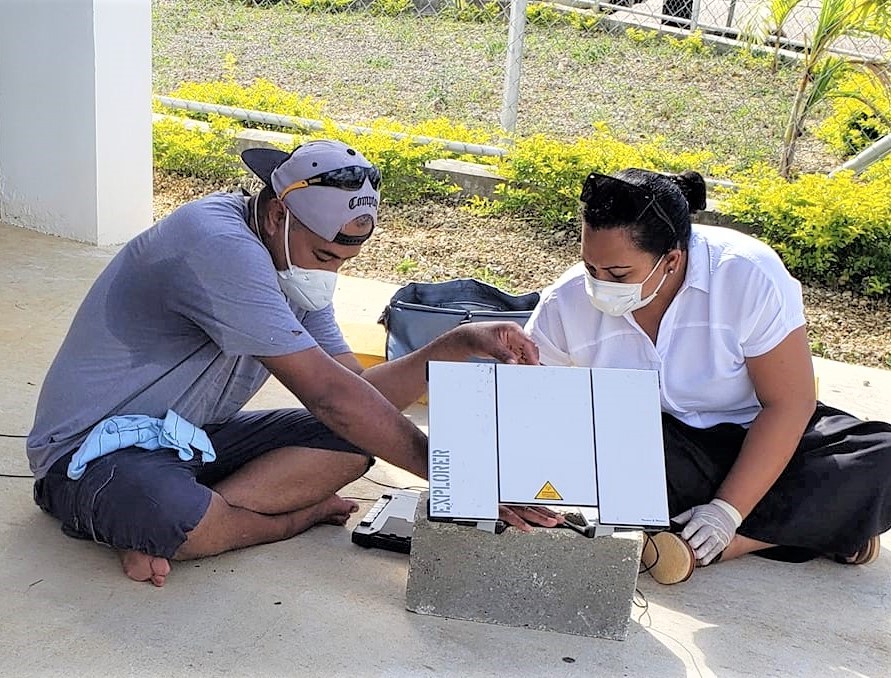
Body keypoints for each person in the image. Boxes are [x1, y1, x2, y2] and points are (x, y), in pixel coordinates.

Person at [27, 139, 560, 587]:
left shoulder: (291, 263)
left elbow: (356, 391)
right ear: (280, 212)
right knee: (170, 513)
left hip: (188, 435)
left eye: (344, 260)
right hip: (91, 452)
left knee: (357, 441)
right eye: (326, 256)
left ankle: (189, 524)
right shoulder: (217, 245)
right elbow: (331, 398)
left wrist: (454, 344)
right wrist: (458, 478)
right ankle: (249, 520)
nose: (329, 272)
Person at [526, 167, 891, 585]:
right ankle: (821, 527)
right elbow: (531, 403)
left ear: (672, 260)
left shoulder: (747, 274)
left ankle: (720, 544)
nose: (598, 284)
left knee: (881, 454)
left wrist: (726, 511)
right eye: (590, 266)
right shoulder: (567, 300)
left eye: (618, 275)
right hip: (663, 444)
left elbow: (790, 404)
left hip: (759, 430)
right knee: (595, 462)